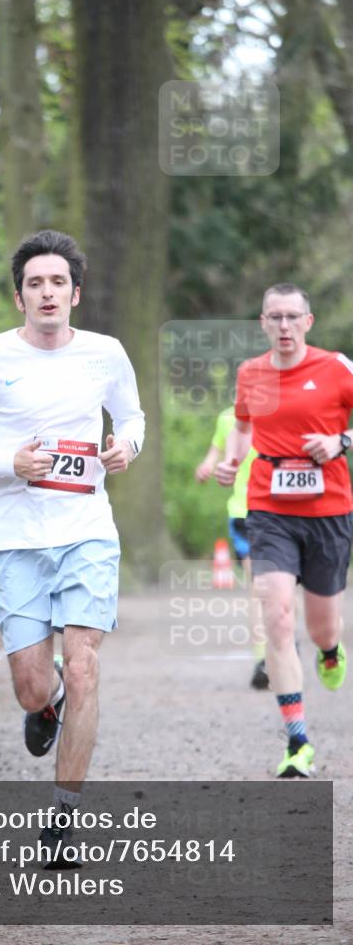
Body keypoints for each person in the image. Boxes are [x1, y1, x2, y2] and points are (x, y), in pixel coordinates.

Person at [0, 230, 144, 863]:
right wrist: (9, 463)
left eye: (58, 282)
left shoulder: (106, 354)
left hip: (87, 530)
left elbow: (131, 419)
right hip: (17, 538)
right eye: (35, 283)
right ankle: (44, 702)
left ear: (75, 294)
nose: (47, 292)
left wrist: (125, 447)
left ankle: (63, 820)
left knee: (84, 667)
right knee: (32, 685)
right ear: (19, 297)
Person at [216, 283, 352, 777]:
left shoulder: (336, 368)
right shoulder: (250, 373)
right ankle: (298, 741)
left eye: (293, 316)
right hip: (269, 509)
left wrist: (340, 441)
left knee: (322, 627)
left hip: (328, 510)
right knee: (276, 616)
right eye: (275, 317)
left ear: (308, 322)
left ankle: (331, 652)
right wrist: (232, 460)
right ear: (263, 323)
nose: (284, 325)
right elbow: (242, 427)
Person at [195, 406, 268, 689]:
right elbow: (214, 455)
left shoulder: (282, 411)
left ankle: (284, 642)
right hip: (243, 513)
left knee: (283, 586)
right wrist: (206, 467)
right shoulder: (227, 418)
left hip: (281, 513)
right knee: (258, 585)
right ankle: (263, 659)